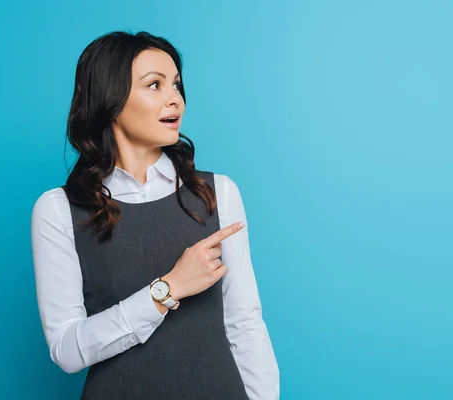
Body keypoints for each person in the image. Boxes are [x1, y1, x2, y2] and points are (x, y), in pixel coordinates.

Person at [31, 31, 279, 399]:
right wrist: (167, 289)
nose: (174, 99)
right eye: (155, 85)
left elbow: (245, 323)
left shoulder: (217, 192)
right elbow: (66, 350)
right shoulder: (58, 209)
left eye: (176, 85)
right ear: (110, 100)